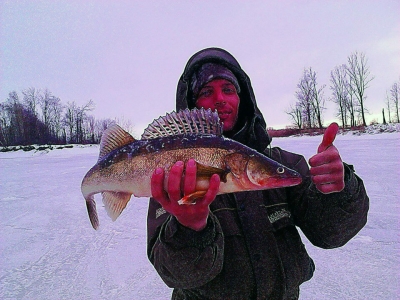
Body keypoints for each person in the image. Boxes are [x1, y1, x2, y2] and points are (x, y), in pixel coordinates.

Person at [147, 47, 369, 299]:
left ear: (244, 99)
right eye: (206, 92)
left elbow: (331, 233)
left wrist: (338, 191)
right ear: (191, 103)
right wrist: (189, 227)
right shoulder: (175, 176)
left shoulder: (284, 164)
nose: (220, 98)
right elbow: (175, 274)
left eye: (228, 89)